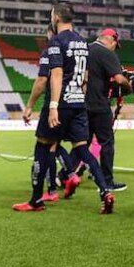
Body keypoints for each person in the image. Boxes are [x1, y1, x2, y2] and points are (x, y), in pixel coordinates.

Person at [13, 3, 114, 212]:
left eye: (51, 15)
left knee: (42, 147)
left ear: (56, 17)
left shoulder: (55, 42)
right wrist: (78, 97)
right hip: (78, 103)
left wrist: (52, 106)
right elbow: (85, 77)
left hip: (61, 104)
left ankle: (35, 200)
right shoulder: (82, 42)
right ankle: (105, 191)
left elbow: (55, 75)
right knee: (83, 149)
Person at [24, 24, 80, 201]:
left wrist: (29, 106)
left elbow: (42, 80)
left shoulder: (50, 50)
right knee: (55, 146)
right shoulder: (74, 48)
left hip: (55, 105)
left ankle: (46, 192)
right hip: (72, 103)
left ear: (51, 33)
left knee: (45, 147)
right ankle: (65, 180)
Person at [86, 28, 131, 191]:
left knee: (82, 143)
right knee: (107, 142)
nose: (114, 48)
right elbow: (119, 79)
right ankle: (106, 181)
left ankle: (65, 176)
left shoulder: (86, 48)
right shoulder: (106, 53)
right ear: (111, 40)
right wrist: (128, 85)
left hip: (82, 103)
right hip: (99, 104)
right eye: (115, 45)